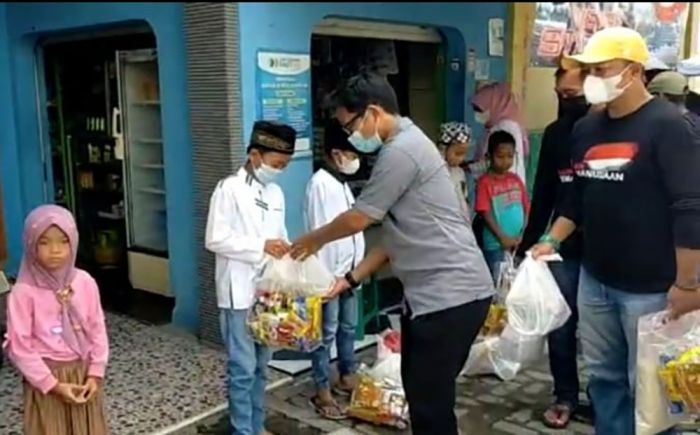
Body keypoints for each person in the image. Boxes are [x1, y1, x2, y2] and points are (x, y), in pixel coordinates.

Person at [290, 72, 494, 435]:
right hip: (432, 298)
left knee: (430, 402)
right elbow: (389, 239)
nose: (351, 134)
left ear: (372, 113)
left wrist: (313, 240)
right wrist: (350, 279)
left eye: (350, 124)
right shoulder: (406, 145)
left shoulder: (401, 150)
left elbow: (359, 218)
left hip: (451, 296)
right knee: (421, 393)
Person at [530, 27, 700, 435]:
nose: (591, 78)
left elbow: (691, 208)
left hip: (653, 288)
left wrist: (688, 284)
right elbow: (577, 197)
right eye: (588, 70)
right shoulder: (586, 129)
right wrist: (551, 238)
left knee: (649, 390)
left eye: (601, 69)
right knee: (605, 379)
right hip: (595, 280)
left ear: (634, 71)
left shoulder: (669, 126)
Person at [205, 120, 296, 435]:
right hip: (238, 293)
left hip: (267, 294)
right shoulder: (228, 188)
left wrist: (288, 253)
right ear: (255, 155)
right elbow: (215, 238)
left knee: (261, 367)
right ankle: (242, 430)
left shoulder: (276, 193)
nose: (280, 170)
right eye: (276, 164)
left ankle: (256, 427)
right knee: (242, 369)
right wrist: (261, 246)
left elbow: (279, 235)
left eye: (284, 165)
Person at [518, 66, 590, 429]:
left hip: (609, 250)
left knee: (601, 332)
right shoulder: (555, 134)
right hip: (564, 248)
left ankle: (604, 395)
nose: (567, 101)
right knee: (560, 325)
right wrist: (528, 243)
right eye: (561, 95)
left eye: (574, 96)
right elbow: (544, 191)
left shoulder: (606, 129)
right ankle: (565, 395)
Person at [3, 205, 109, 435]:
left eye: (63, 240)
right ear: (31, 244)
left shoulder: (84, 282)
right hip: (46, 380)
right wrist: (53, 385)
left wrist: (95, 373)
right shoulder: (24, 292)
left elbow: (97, 329)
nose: (55, 250)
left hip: (83, 376)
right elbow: (19, 346)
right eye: (44, 242)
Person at [304, 122, 365, 419]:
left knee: (347, 328)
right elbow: (321, 233)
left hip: (349, 274)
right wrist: (328, 279)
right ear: (336, 153)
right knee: (324, 334)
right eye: (352, 154)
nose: (356, 160)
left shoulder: (340, 181)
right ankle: (321, 388)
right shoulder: (320, 184)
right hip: (329, 277)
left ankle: (346, 373)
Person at [475, 130, 530, 280]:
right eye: (500, 156)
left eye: (510, 156)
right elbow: (485, 212)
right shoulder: (484, 182)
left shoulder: (516, 179)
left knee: (514, 281)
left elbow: (526, 206)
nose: (505, 161)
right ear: (489, 156)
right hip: (495, 244)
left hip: (516, 242)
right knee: (498, 282)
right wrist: (502, 237)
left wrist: (522, 233)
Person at [471, 82, 529, 184]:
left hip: (503, 188)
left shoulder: (505, 127)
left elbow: (505, 163)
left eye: (480, 109)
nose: (477, 114)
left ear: (494, 105)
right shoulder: (493, 127)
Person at [437, 121, 471, 214]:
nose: (462, 158)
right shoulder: (437, 173)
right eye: (458, 154)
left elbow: (464, 196)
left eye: (464, 154)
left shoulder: (460, 172)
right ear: (443, 149)